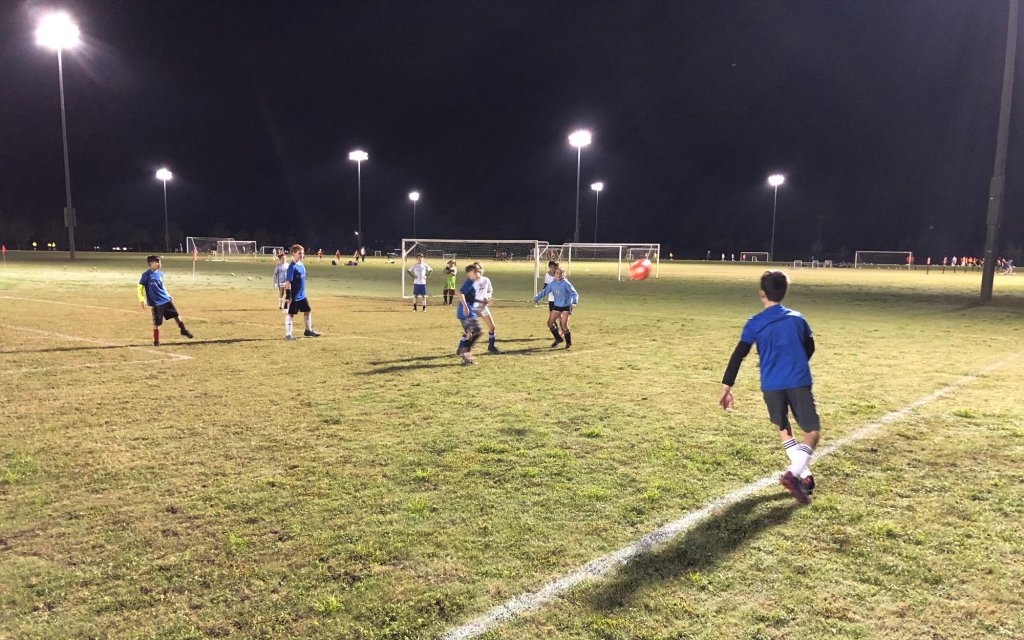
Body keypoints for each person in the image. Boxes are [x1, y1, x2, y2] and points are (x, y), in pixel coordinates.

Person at [718, 270, 820, 505]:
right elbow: (810, 347)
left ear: (761, 294)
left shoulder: (754, 323)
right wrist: (795, 362)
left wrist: (726, 386)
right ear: (785, 292)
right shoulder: (797, 318)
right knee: (812, 432)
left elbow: (738, 355)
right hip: (797, 381)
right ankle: (794, 475)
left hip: (771, 385)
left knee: (784, 429)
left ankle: (804, 476)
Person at [137, 255, 193, 347]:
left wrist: (167, 294)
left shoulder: (160, 274)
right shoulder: (146, 275)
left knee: (176, 315)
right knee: (157, 323)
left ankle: (183, 330)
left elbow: (162, 286)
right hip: (156, 303)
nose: (159, 264)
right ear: (151, 264)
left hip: (165, 299)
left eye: (160, 262)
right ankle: (156, 341)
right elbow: (139, 288)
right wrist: (142, 300)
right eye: (157, 262)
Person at [532, 267, 579, 349]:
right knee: (550, 323)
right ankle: (558, 338)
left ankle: (568, 343)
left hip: (566, 306)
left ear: (563, 274)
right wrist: (536, 298)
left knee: (564, 325)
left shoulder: (566, 283)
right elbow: (544, 292)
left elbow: (574, 293)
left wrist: (574, 302)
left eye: (561, 273)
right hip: (557, 306)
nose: (559, 275)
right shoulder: (552, 284)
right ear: (554, 274)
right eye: (557, 273)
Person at [284, 244, 320, 340]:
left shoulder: (301, 264)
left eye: (302, 253)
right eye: (300, 253)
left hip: (302, 295)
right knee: (290, 314)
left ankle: (308, 330)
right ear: (293, 253)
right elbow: (288, 282)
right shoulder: (292, 267)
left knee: (307, 311)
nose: (302, 255)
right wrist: (288, 295)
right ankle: (288, 334)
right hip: (294, 296)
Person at [455, 264, 483, 365]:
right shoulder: (469, 282)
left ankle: (466, 358)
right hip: (466, 312)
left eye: (479, 271)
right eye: (476, 271)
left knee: (470, 334)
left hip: (465, 311)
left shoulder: (472, 283)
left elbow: (468, 296)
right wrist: (465, 306)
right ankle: (465, 351)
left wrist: (481, 301)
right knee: (478, 331)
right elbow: (460, 293)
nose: (478, 273)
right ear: (470, 273)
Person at [472, 262, 499, 353]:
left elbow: (489, 291)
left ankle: (491, 346)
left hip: (483, 307)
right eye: (476, 269)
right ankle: (462, 347)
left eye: (480, 268)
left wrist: (488, 297)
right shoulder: (471, 281)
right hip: (473, 308)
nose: (478, 270)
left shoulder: (486, 280)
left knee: (492, 327)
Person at [542, 260, 562, 343]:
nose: (553, 269)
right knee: (552, 318)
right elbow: (546, 285)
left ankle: (563, 331)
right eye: (552, 267)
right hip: (551, 299)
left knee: (560, 317)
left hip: (558, 299)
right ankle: (557, 332)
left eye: (555, 267)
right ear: (549, 267)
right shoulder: (547, 275)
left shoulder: (558, 275)